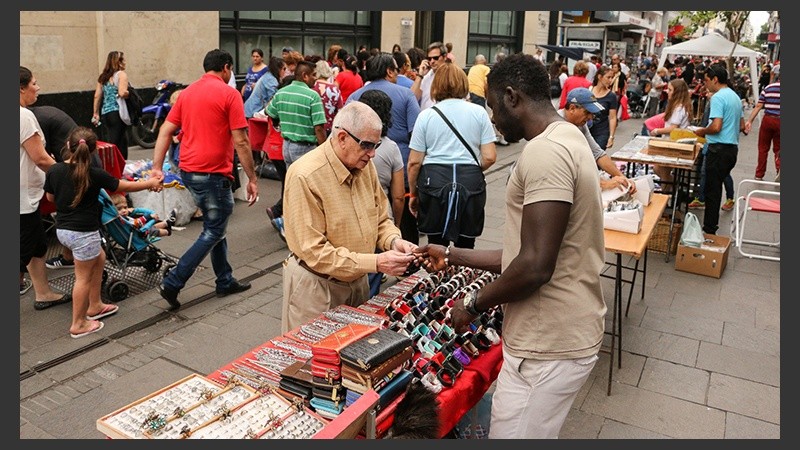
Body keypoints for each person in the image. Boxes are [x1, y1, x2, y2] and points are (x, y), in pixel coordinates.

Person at [414, 53, 605, 439]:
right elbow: (525, 254)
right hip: (562, 334)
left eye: (491, 106)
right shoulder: (568, 136)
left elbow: (534, 266)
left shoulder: (545, 152)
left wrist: (472, 304)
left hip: (546, 343)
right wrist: (451, 254)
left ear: (512, 97)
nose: (492, 119)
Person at [280, 102, 418, 332]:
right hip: (318, 289)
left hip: (357, 281)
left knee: (355, 354)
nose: (372, 154)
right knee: (314, 362)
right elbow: (314, 252)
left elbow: (381, 219)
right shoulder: (305, 175)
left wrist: (394, 241)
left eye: (377, 145)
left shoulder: (365, 166)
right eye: (367, 145)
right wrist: (377, 262)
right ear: (342, 137)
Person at [151, 49, 259, 310]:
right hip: (213, 174)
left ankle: (224, 280)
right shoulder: (229, 93)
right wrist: (252, 178)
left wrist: (156, 167)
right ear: (226, 67)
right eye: (231, 70)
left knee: (216, 225)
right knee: (214, 229)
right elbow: (241, 141)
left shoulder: (187, 93)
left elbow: (166, 129)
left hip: (189, 171)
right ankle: (173, 282)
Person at [44, 127, 161, 338]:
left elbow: (51, 199)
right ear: (92, 151)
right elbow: (123, 185)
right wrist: (150, 183)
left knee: (100, 257)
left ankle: (95, 305)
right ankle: (78, 324)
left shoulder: (54, 170)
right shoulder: (94, 174)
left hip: (63, 231)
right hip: (83, 233)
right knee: (82, 278)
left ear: (67, 146)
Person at [407, 62, 497, 249]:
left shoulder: (426, 116)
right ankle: (461, 274)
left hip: (434, 181)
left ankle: (438, 277)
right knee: (466, 244)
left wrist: (413, 193)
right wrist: (471, 166)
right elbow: (489, 157)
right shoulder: (479, 113)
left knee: (435, 245)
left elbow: (414, 162)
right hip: (470, 182)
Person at [346, 52, 421, 246]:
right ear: (389, 71)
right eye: (396, 69)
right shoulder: (405, 94)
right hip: (399, 165)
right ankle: (408, 257)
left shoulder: (355, 96)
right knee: (405, 220)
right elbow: (416, 133)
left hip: (360, 164)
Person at [20, 65, 72, 305]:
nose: (37, 88)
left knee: (37, 246)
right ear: (21, 88)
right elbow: (40, 157)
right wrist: (65, 175)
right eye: (34, 83)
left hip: (25, 196)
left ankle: (43, 293)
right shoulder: (23, 116)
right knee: (24, 249)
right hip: (22, 198)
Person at [358, 90, 405, 298]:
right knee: (371, 284)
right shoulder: (392, 148)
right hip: (380, 217)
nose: (371, 153)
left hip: (363, 223)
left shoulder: (346, 144)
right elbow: (398, 196)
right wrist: (396, 224)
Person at [693, 63, 745, 235]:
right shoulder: (735, 97)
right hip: (732, 149)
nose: (705, 84)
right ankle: (710, 228)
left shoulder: (717, 97)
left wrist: (702, 131)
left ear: (715, 79)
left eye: (707, 80)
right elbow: (743, 125)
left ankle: (709, 230)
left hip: (719, 149)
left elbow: (716, 126)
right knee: (716, 187)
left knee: (712, 191)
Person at [558, 87, 636, 193]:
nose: (590, 117)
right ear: (572, 108)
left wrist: (623, 178)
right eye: (587, 112)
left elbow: (597, 154)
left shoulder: (580, 124)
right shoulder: (558, 125)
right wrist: (603, 183)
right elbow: (568, 169)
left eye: (592, 113)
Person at [642, 79, 694, 192]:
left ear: (677, 92)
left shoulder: (678, 108)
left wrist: (657, 131)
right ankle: (673, 186)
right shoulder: (678, 106)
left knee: (664, 173)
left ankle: (666, 195)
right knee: (658, 168)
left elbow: (673, 128)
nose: (667, 92)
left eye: (670, 90)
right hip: (670, 143)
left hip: (672, 144)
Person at [688, 91, 735, 210]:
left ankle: (729, 198)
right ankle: (702, 198)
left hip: (717, 144)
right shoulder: (715, 101)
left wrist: (702, 131)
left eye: (710, 91)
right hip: (711, 142)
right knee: (705, 172)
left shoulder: (718, 101)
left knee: (722, 174)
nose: (707, 93)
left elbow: (715, 126)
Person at [92, 50, 130, 160]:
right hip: (118, 112)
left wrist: (95, 113)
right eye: (123, 60)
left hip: (106, 113)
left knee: (112, 140)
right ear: (118, 62)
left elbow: (97, 96)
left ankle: (113, 164)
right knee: (120, 141)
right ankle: (120, 166)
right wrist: (129, 94)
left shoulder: (103, 77)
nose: (125, 62)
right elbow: (122, 93)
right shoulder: (121, 75)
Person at [745, 73, 780, 181]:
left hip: (768, 120)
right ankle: (779, 169)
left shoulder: (768, 88)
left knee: (763, 148)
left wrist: (749, 120)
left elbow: (759, 105)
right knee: (779, 148)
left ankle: (759, 174)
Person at [111, 193, 177, 238]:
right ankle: (168, 231)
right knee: (153, 230)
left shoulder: (121, 217)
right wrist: (148, 216)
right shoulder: (121, 219)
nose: (124, 210)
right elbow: (137, 223)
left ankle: (167, 223)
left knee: (151, 226)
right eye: (119, 209)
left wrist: (131, 210)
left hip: (137, 230)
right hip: (138, 234)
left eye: (125, 208)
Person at [411, 41, 448, 111]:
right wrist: (420, 75)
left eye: (436, 58)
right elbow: (412, 98)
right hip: (427, 118)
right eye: (429, 59)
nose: (432, 61)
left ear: (444, 57)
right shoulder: (425, 76)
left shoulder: (452, 76)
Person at [589, 65, 619, 149]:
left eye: (612, 77)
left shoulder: (611, 96)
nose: (610, 80)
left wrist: (611, 137)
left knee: (598, 156)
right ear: (600, 77)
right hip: (587, 130)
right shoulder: (589, 91)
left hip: (602, 132)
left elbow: (612, 117)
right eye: (608, 77)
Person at [313, 60, 344, 136]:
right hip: (329, 128)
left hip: (313, 127)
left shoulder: (312, 87)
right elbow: (340, 110)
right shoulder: (334, 89)